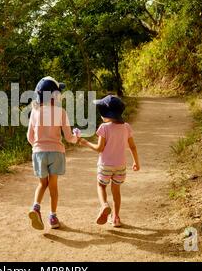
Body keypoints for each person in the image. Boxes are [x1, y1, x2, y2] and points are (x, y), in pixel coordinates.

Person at [79, 95, 140, 227]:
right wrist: (136, 162)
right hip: (121, 166)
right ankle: (116, 218)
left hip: (105, 165)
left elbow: (100, 148)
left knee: (101, 185)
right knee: (116, 190)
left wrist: (85, 143)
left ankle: (104, 205)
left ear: (105, 113)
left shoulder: (104, 128)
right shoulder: (127, 127)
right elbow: (133, 147)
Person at [27, 77, 79, 230]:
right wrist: (78, 138)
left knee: (42, 184)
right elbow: (69, 137)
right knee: (53, 187)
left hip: (38, 153)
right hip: (56, 152)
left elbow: (30, 137)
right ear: (55, 96)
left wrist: (38, 147)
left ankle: (35, 208)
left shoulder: (34, 112)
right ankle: (53, 217)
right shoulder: (60, 112)